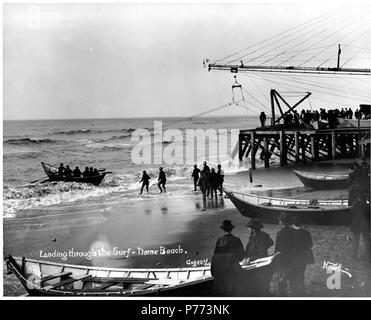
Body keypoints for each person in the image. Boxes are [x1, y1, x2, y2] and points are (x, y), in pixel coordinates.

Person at [211, 220, 245, 296]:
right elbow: (242, 256)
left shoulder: (219, 241)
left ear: (223, 229)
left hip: (218, 284)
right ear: (231, 229)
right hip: (231, 277)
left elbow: (213, 272)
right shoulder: (237, 240)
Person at [289, 216, 314, 296]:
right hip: (302, 259)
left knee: (292, 278)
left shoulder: (289, 233)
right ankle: (301, 294)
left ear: (292, 224)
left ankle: (294, 294)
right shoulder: (306, 232)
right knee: (301, 277)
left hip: (292, 259)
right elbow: (310, 245)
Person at [275, 212, 294, 296]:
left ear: (281, 222)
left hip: (282, 261)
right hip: (293, 260)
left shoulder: (280, 233)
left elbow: (277, 249)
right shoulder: (294, 232)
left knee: (281, 283)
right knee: (294, 283)